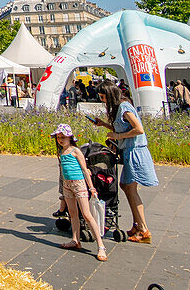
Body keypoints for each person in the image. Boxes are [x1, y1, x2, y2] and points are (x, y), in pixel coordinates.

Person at [94, 84, 157, 243]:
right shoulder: (121, 107)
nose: (102, 101)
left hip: (134, 151)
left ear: (109, 95)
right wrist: (104, 124)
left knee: (130, 187)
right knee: (126, 186)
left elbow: (138, 129)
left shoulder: (123, 107)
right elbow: (123, 127)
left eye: (103, 97)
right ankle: (138, 225)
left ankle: (143, 229)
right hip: (130, 151)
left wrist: (118, 136)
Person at [51, 123, 107, 261]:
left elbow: (85, 170)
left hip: (79, 184)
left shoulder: (75, 151)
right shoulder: (61, 152)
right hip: (67, 185)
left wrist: (91, 187)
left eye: (63, 137)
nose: (60, 140)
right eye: (58, 137)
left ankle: (101, 246)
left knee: (87, 215)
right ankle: (75, 240)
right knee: (73, 214)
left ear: (70, 137)